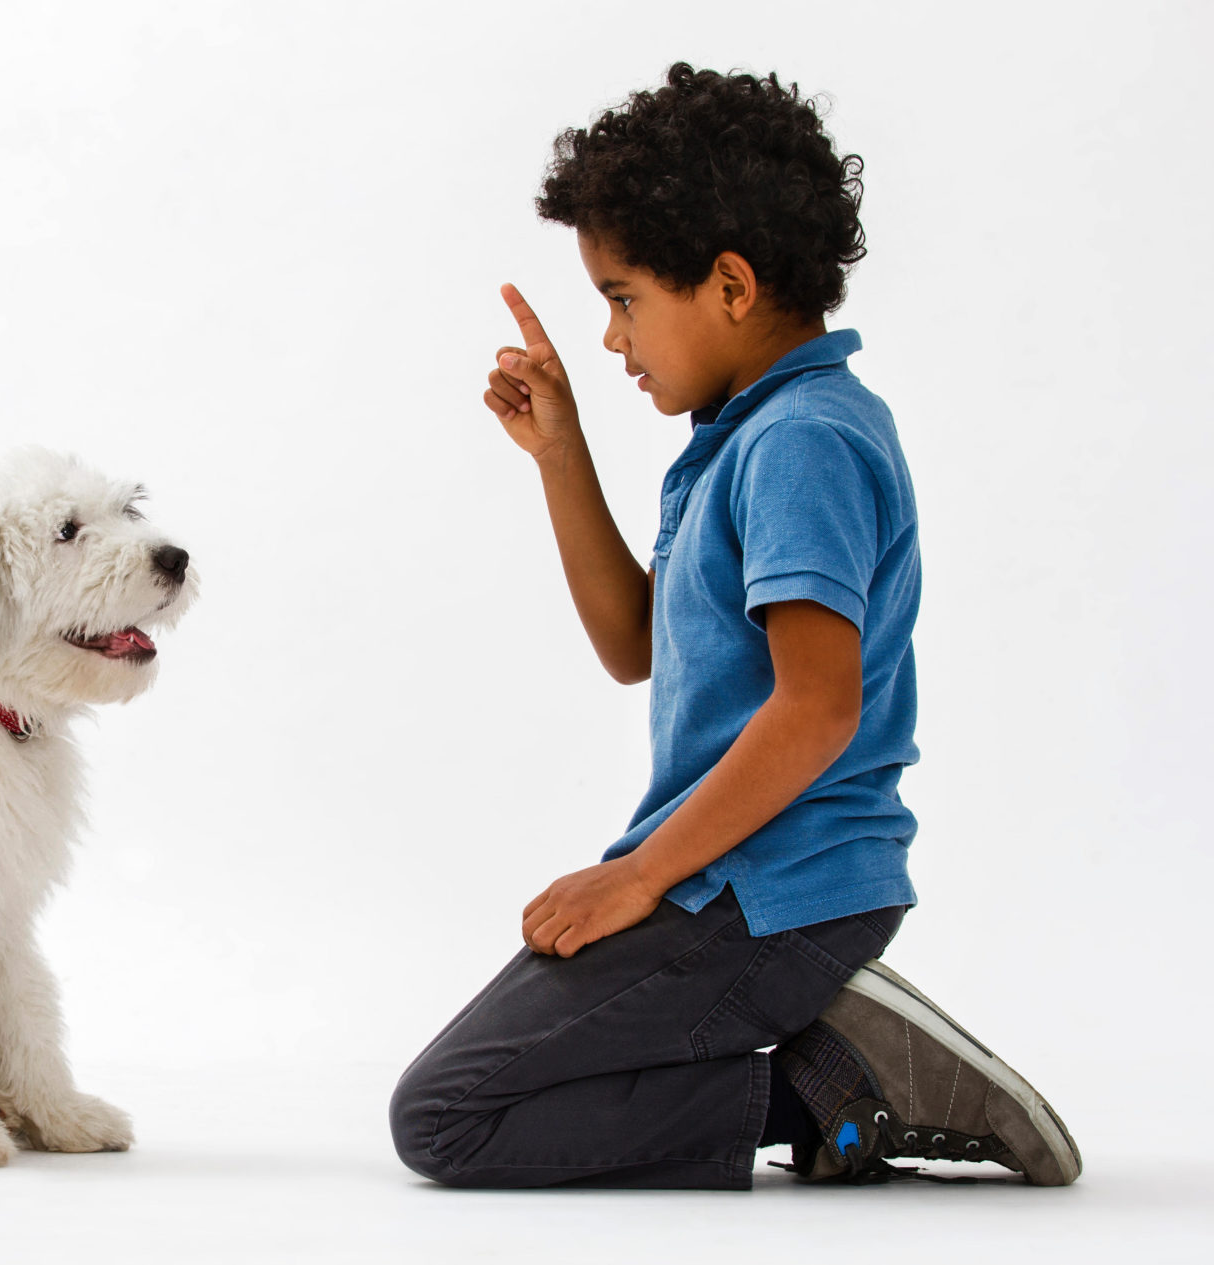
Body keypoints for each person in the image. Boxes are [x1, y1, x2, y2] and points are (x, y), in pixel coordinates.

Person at [387, 63, 1080, 1190]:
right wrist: (562, 455)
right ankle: (833, 1074)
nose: (614, 339)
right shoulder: (742, 433)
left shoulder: (799, 442)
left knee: (450, 1114)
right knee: (465, 1100)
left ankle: (838, 1085)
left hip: (767, 889)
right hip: (728, 879)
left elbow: (818, 707)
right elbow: (638, 646)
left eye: (623, 298)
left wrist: (639, 877)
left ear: (729, 283)